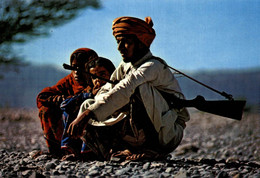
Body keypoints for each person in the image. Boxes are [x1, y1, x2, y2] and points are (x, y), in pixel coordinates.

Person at [68, 16, 190, 161]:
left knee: (137, 88)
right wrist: (92, 110)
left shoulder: (152, 66)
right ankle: (115, 151)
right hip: (142, 132)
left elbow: (126, 87)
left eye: (126, 42)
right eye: (118, 42)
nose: (119, 47)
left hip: (167, 133)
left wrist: (90, 113)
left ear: (140, 43)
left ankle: (152, 150)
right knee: (88, 104)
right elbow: (107, 90)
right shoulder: (125, 66)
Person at [36, 48, 98, 156]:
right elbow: (43, 97)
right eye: (74, 67)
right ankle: (58, 152)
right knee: (45, 110)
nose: (77, 72)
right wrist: (60, 99)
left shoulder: (99, 78)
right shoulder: (69, 81)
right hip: (70, 133)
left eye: (81, 67)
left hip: (93, 131)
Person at [60, 57, 115, 160]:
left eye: (102, 74)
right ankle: (77, 150)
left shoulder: (118, 89)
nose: (98, 80)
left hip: (113, 135)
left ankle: (89, 153)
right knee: (74, 108)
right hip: (96, 136)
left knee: (89, 104)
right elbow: (64, 105)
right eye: (94, 77)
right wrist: (89, 95)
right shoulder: (90, 90)